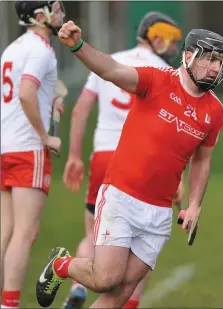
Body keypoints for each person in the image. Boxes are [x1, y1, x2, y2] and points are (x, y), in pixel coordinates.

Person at [36, 20, 223, 309]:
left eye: (221, 62)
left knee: (120, 294)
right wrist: (77, 46)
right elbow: (110, 70)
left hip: (160, 214)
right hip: (122, 197)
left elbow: (202, 160)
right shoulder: (157, 80)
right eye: (211, 59)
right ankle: (61, 265)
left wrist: (194, 205)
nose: (216, 68)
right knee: (106, 279)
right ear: (189, 56)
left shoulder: (215, 111)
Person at [61, 11, 184, 309]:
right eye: (170, 40)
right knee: (140, 245)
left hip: (103, 154)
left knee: (93, 231)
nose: (173, 48)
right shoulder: (168, 75)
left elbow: (80, 111)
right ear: (156, 37)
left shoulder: (108, 58)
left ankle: (78, 285)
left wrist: (75, 156)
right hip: (141, 162)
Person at [0, 1, 66, 308]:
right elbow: (26, 93)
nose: (63, 13)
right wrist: (45, 136)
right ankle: (9, 304)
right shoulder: (41, 49)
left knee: (6, 233)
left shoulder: (13, 47)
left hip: (6, 148)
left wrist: (50, 99)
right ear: (40, 16)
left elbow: (22, 94)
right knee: (24, 234)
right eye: (57, 8)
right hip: (29, 149)